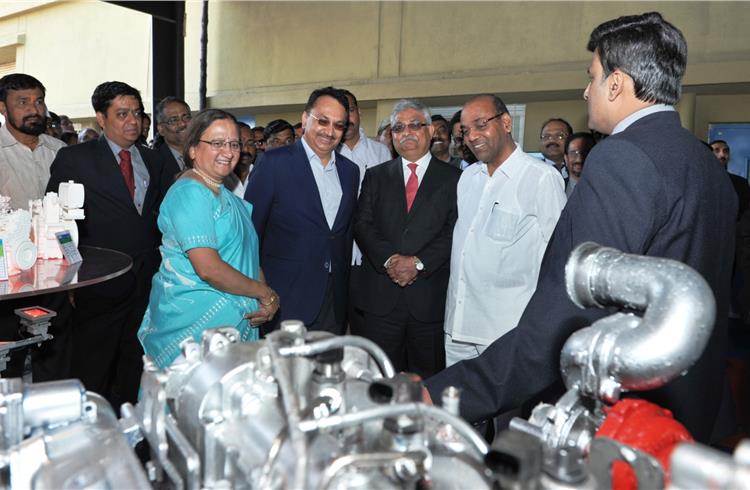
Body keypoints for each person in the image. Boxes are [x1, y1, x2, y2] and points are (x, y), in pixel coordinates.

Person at [425, 12, 737, 445]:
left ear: (616, 83)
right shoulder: (702, 160)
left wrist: (439, 393)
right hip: (694, 407)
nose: (586, 90)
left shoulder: (622, 157)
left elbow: (567, 319)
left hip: (630, 415)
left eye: (592, 77)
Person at [46, 81, 170, 409]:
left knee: (136, 360)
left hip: (147, 280)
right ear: (101, 118)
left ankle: (131, 427)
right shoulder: (75, 158)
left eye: (137, 113)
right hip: (98, 282)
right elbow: (57, 222)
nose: (133, 121)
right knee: (93, 365)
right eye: (122, 114)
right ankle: (89, 431)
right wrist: (69, 276)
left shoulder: (153, 160)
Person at [139, 109, 278, 368]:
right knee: (194, 402)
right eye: (216, 143)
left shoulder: (227, 196)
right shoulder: (190, 193)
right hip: (197, 328)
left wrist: (265, 299)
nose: (228, 151)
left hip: (238, 319)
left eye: (234, 143)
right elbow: (209, 269)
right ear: (192, 149)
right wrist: (265, 293)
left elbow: (248, 255)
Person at [444, 94, 566, 367]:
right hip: (458, 327)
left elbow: (560, 257)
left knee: (508, 411)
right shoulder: (467, 178)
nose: (472, 136)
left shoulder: (541, 178)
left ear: (507, 123)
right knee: (454, 408)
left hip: (505, 331)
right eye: (465, 130)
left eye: (480, 124)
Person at [353, 99, 461, 378]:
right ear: (392, 135)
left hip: (430, 300)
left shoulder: (456, 178)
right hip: (380, 301)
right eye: (399, 127)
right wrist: (390, 259)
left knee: (427, 382)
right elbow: (362, 224)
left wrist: (419, 262)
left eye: (415, 125)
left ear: (430, 131)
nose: (407, 132)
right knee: (380, 381)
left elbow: (456, 229)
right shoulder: (375, 176)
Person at [245, 87, 359, 336]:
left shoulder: (351, 171)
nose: (330, 132)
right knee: (285, 374)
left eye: (338, 125)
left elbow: (344, 233)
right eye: (323, 121)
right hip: (284, 298)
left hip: (334, 301)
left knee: (327, 372)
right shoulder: (274, 163)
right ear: (306, 119)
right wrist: (258, 290)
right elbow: (251, 233)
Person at [0, 73, 65, 208]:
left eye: (39, 102)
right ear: (3, 108)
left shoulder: (60, 150)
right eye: (23, 102)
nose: (34, 110)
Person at [155, 96, 192, 177]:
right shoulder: (154, 162)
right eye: (174, 120)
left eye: (186, 117)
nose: (182, 124)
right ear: (161, 129)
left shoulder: (204, 154)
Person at [225, 121, 256, 199]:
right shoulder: (219, 178)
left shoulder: (263, 175)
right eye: (239, 144)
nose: (245, 149)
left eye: (250, 143)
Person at [563, 132, 595, 197]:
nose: (579, 159)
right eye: (573, 153)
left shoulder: (604, 188)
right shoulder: (558, 186)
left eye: (585, 152)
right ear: (566, 158)